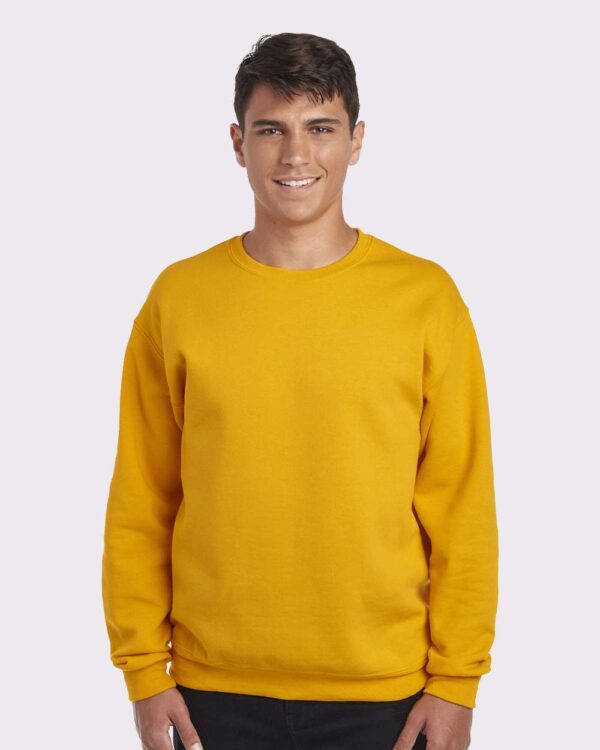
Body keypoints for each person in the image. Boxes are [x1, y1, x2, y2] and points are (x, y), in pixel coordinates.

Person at [101, 31, 499, 750]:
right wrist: (144, 672)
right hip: (211, 692)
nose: (295, 155)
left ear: (356, 140)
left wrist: (456, 681)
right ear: (237, 143)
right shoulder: (179, 298)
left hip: (387, 693)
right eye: (270, 130)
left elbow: (461, 505)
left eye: (320, 128)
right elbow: (143, 499)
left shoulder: (425, 299)